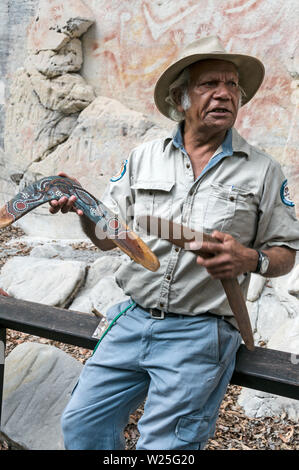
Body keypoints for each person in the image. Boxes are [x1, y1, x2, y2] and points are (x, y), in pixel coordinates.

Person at [7, 36, 299, 450]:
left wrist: (249, 258)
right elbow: (110, 240)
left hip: (201, 331)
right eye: (210, 83)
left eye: (233, 85)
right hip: (131, 319)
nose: (225, 93)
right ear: (181, 98)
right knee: (82, 427)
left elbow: (285, 253)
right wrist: (84, 212)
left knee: (166, 449)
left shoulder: (264, 171)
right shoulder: (143, 156)